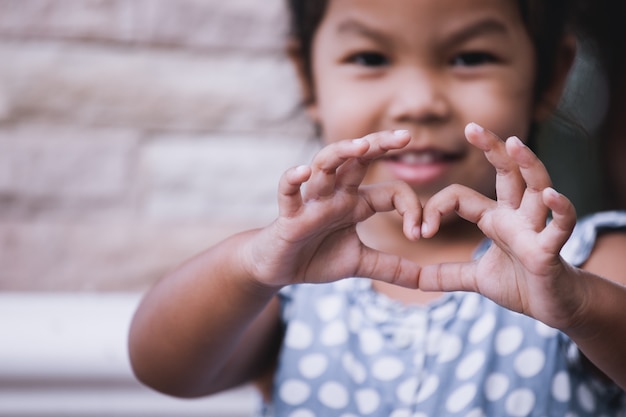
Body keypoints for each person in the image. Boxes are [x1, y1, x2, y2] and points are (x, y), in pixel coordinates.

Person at [128, 0, 626, 415]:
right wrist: (251, 266)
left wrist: (578, 305)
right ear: (307, 77)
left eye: (470, 56)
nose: (418, 102)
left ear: (550, 76)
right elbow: (162, 368)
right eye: (369, 58)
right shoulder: (289, 279)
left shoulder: (582, 264)